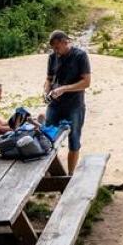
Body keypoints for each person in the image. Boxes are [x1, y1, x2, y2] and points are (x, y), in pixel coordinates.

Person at [44, 30, 91, 174]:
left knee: (74, 141)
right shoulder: (52, 57)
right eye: (53, 48)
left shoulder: (80, 56)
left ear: (66, 42)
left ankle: (70, 175)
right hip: (54, 105)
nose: (56, 51)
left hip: (74, 105)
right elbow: (49, 79)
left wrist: (64, 89)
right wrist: (46, 92)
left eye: (57, 47)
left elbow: (86, 82)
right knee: (46, 139)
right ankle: (49, 173)